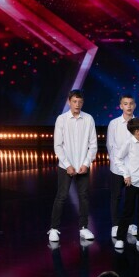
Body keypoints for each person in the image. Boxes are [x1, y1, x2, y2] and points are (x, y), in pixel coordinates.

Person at [48, 89, 98, 243]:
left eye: (80, 102)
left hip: (83, 165)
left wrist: (86, 163)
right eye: (74, 101)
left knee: (84, 196)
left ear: (83, 103)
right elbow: (58, 145)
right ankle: (54, 229)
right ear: (69, 102)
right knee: (61, 196)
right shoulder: (61, 119)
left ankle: (83, 227)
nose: (77, 104)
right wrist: (68, 165)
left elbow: (93, 145)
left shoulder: (88, 119)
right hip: (66, 166)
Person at [114, 117, 139, 249]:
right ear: (137, 131)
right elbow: (118, 159)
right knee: (128, 211)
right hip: (133, 182)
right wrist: (126, 174)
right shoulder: (129, 143)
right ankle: (120, 238)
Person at [108, 94, 138, 239]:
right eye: (125, 104)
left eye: (131, 103)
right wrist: (118, 164)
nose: (129, 106)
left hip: (134, 168)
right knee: (116, 197)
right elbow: (110, 146)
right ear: (121, 106)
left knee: (131, 197)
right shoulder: (114, 124)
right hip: (117, 168)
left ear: (135, 105)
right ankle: (115, 225)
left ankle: (131, 224)